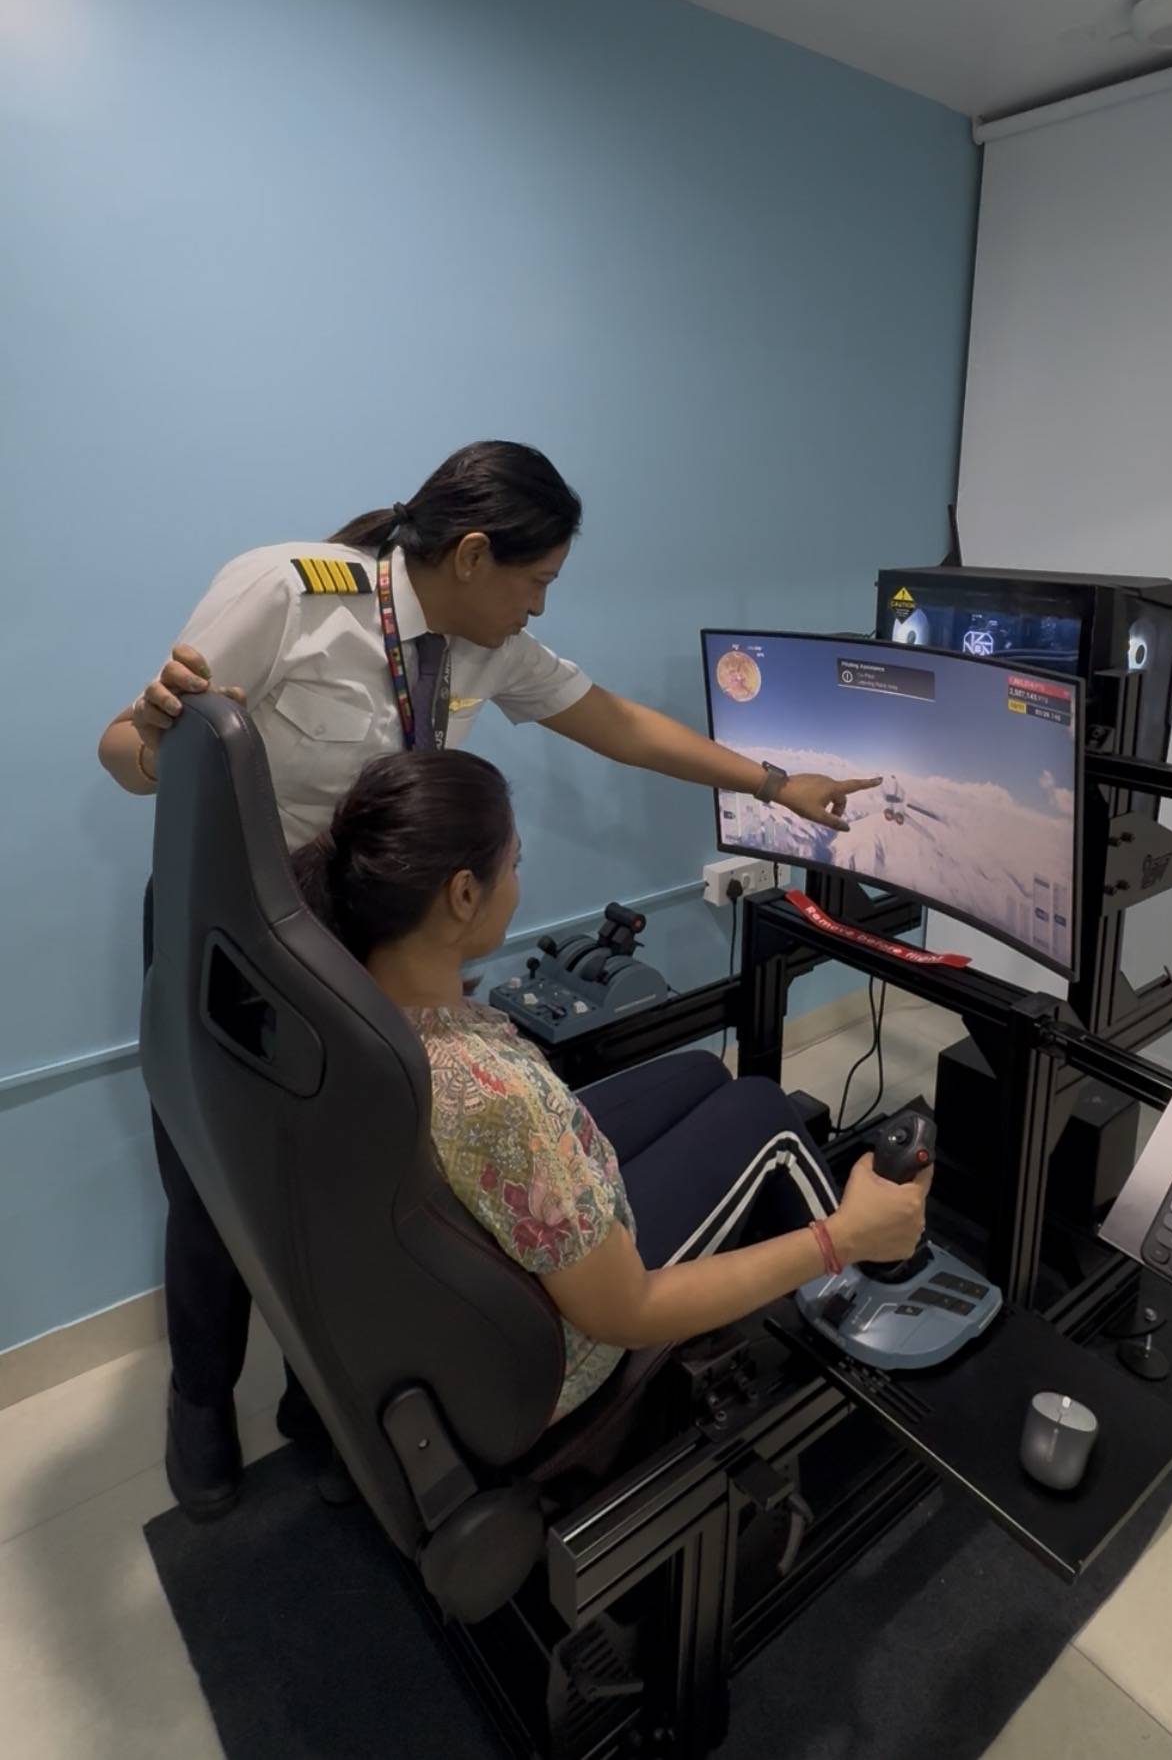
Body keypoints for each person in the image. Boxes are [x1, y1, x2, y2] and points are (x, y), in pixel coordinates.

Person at [98, 440, 881, 1513]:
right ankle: (199, 1404)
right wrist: (149, 736)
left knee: (339, 1188)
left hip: (347, 955)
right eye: (537, 582)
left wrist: (778, 782)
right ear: (472, 555)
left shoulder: (484, 646)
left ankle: (316, 1399)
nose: (539, 609)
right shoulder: (287, 592)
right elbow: (129, 750)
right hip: (227, 943)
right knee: (217, 1182)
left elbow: (620, 726)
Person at [292, 750, 929, 1416]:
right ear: (462, 895)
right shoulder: (497, 1094)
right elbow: (629, 1312)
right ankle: (872, 1292)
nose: (517, 879)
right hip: (563, 1341)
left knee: (706, 1073)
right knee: (765, 1118)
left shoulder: (350, 998)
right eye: (513, 863)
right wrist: (847, 1235)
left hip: (485, 1244)